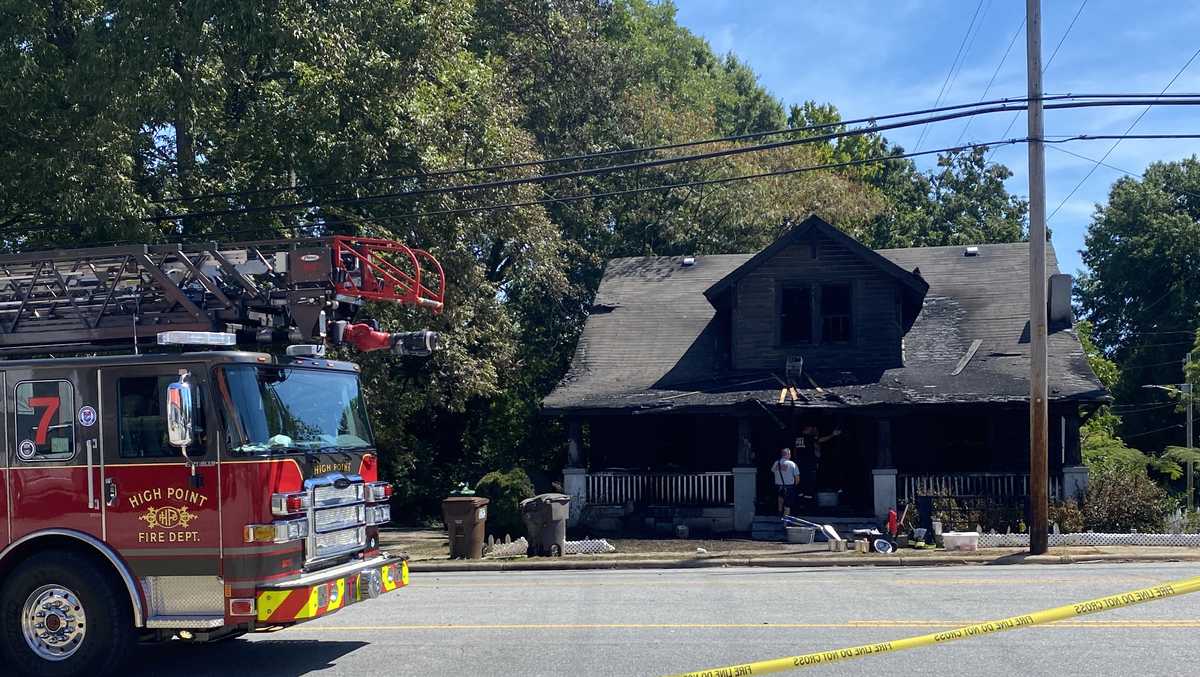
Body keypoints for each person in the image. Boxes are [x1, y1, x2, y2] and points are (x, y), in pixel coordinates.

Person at [770, 448, 800, 516]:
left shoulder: (776, 463)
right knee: (787, 505)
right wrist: (795, 486)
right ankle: (785, 522)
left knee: (780, 499)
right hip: (789, 487)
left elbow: (772, 471)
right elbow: (797, 478)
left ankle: (779, 513)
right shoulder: (792, 464)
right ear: (788, 454)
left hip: (778, 486)